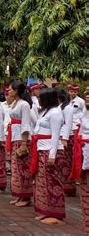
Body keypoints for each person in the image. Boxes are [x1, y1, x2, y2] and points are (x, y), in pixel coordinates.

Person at [30, 88, 65, 225]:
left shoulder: (56, 113)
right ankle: (45, 211)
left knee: (53, 182)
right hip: (41, 148)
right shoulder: (45, 111)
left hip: (50, 149)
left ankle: (56, 214)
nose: (38, 100)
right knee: (42, 182)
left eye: (41, 98)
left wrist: (52, 155)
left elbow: (56, 135)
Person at [7, 81, 33, 207]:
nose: (8, 91)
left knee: (23, 168)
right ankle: (19, 195)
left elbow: (25, 124)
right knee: (16, 169)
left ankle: (26, 197)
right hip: (14, 136)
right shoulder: (14, 103)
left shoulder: (24, 105)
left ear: (16, 90)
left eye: (10, 89)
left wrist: (24, 143)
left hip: (21, 139)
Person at [69, 89, 89, 234]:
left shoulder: (80, 104)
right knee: (85, 188)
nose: (87, 96)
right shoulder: (85, 112)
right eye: (87, 93)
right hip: (82, 150)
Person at [57, 88, 76, 197]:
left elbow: (68, 124)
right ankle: (64, 185)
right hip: (60, 135)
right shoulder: (59, 107)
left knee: (67, 163)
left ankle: (69, 187)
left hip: (67, 137)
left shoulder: (68, 108)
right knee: (62, 162)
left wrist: (65, 138)